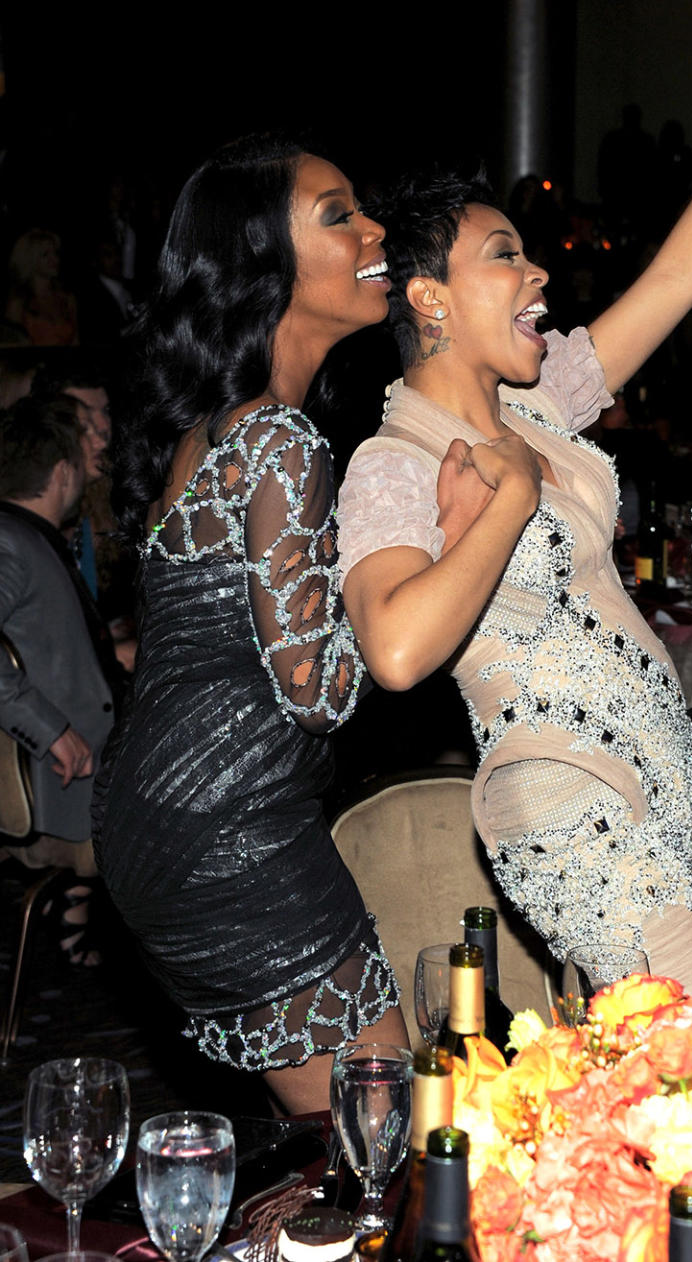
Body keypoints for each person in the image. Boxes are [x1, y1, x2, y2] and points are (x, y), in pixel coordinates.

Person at [338, 0, 692, 998]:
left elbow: (681, 276)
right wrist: (510, 501)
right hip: (563, 797)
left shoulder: (542, 402)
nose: (537, 272)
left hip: (667, 779)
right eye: (503, 256)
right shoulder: (393, 461)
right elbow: (392, 648)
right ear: (427, 298)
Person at [91, 134, 407, 1112]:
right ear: (264, 263)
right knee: (377, 1125)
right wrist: (420, 573)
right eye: (338, 214)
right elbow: (320, 690)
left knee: (326, 1130)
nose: (374, 229)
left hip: (155, 814)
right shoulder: (276, 438)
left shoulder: (214, 430)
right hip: (230, 826)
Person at [0, 397, 121, 962]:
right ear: (62, 470)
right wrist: (49, 730)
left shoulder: (32, 538)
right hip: (52, 786)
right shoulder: (11, 540)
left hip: (77, 773)